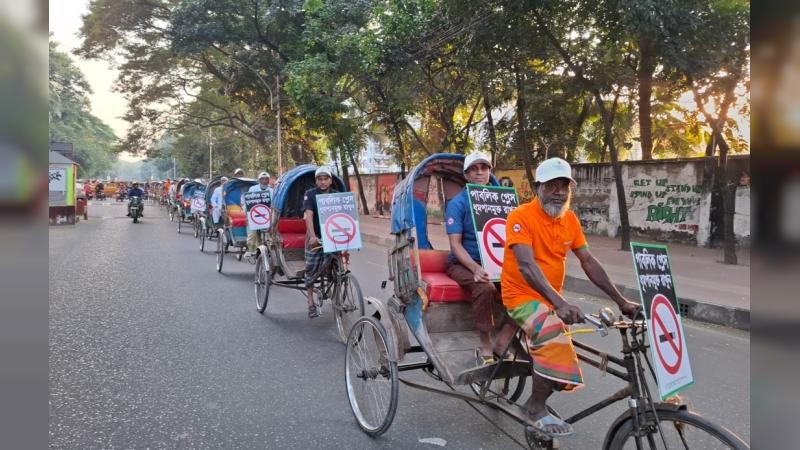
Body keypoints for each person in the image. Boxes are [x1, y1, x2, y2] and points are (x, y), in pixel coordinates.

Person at [501, 157, 640, 437]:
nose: (559, 192)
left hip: (550, 298)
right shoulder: (520, 216)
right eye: (551, 185)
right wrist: (560, 303)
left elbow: (588, 261)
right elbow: (527, 265)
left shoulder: (570, 220)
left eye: (564, 186)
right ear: (537, 188)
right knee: (554, 338)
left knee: (561, 352)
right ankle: (534, 407)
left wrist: (621, 301)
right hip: (520, 296)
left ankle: (545, 384)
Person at [445, 151, 517, 366]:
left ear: (489, 172)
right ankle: (485, 342)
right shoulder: (458, 203)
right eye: (474, 169)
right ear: (466, 175)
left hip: (497, 263)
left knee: (527, 287)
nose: (479, 172)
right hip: (462, 263)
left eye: (484, 168)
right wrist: (475, 268)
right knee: (485, 288)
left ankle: (503, 340)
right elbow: (455, 245)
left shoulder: (501, 201)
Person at [302, 166, 338, 318]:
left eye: (325, 179)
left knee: (338, 263)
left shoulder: (337, 195)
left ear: (330, 181)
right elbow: (309, 216)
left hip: (333, 235)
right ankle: (310, 302)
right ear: (316, 181)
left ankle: (334, 279)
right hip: (316, 235)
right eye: (320, 179)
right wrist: (312, 236)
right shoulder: (310, 194)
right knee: (310, 269)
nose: (323, 182)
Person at [244, 172, 274, 257]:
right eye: (262, 179)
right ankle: (251, 250)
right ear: (259, 180)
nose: (264, 181)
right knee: (252, 234)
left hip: (267, 216)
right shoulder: (253, 189)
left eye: (266, 179)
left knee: (271, 235)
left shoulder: (272, 191)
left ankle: (269, 251)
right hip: (254, 215)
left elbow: (273, 205)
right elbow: (248, 203)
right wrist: (247, 216)